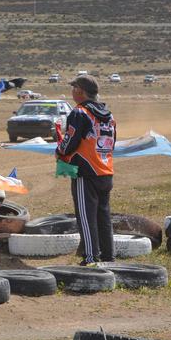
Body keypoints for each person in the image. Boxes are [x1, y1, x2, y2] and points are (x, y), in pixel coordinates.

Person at [56, 74, 117, 265]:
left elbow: (70, 141)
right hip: (105, 170)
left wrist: (59, 151)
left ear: (80, 91)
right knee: (103, 216)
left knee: (85, 217)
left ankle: (91, 258)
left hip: (86, 172)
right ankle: (108, 257)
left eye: (74, 88)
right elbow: (112, 143)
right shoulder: (109, 114)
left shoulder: (80, 112)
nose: (72, 91)